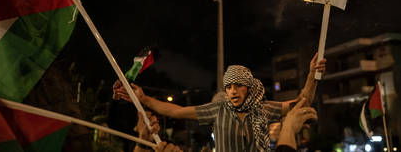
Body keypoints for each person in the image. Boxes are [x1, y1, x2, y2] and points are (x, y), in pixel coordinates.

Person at [114, 52, 326, 152]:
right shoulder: (217, 110)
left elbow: (302, 103)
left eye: (238, 86)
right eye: (228, 87)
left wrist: (311, 76)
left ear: (249, 88)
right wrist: (144, 99)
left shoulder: (264, 109)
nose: (232, 91)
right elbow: (176, 111)